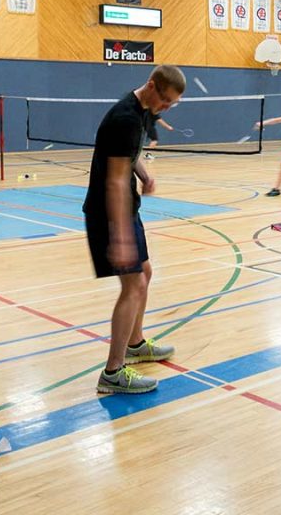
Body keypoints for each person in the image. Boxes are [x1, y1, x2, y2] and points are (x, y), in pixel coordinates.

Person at [84, 65, 186, 394]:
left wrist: (144, 174)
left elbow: (127, 157)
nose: (166, 108)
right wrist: (122, 234)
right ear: (152, 86)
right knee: (133, 285)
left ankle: (135, 343)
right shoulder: (126, 118)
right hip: (110, 212)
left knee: (145, 273)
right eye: (165, 101)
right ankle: (113, 373)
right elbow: (114, 181)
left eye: (172, 104)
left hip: (126, 206)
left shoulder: (141, 110)